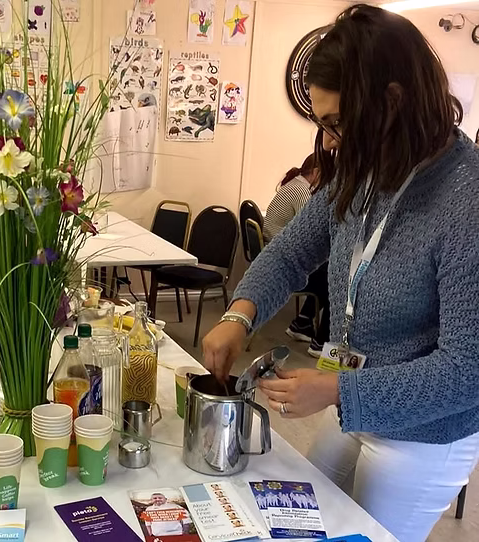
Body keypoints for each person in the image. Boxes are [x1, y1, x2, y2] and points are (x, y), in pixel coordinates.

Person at [202, 5, 479, 542]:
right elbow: (290, 252)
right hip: (352, 400)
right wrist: (239, 314)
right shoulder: (365, 167)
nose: (329, 142)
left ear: (391, 102)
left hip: (422, 434)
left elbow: (466, 370)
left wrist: (337, 391)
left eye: (336, 123)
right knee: (295, 524)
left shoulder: (466, 198)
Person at [263, 154, 329, 357]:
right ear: (317, 172)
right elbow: (312, 229)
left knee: (325, 274)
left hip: (274, 252)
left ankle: (302, 323)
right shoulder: (301, 191)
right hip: (283, 261)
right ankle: (321, 342)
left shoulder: (293, 184)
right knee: (333, 279)